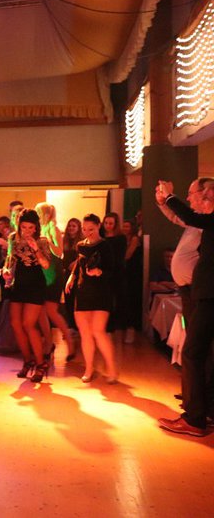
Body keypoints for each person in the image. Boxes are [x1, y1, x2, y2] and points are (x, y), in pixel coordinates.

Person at [156, 179, 214, 436]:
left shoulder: (207, 220)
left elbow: (188, 216)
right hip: (204, 295)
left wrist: (170, 197)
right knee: (200, 352)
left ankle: (195, 419)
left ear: (207, 194)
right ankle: (204, 411)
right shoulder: (205, 221)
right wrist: (165, 201)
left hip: (208, 296)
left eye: (192, 194)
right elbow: (185, 217)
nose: (189, 199)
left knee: (193, 352)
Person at [65, 214, 118, 384]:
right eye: (85, 229)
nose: (87, 232)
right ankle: (89, 368)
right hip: (83, 292)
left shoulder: (105, 245)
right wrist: (71, 277)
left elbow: (113, 270)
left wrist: (99, 272)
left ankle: (111, 369)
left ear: (98, 226)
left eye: (91, 229)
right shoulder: (80, 245)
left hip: (101, 292)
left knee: (98, 331)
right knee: (85, 333)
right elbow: (79, 264)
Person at [2, 209, 51, 383]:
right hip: (19, 283)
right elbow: (10, 259)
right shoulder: (13, 238)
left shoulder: (42, 241)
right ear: (19, 225)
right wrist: (6, 270)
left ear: (36, 227)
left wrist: (36, 248)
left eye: (31, 227)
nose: (27, 231)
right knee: (16, 324)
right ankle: (27, 360)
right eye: (24, 227)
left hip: (35, 283)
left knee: (28, 324)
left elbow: (46, 265)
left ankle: (41, 363)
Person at [35, 202, 72, 358]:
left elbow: (59, 252)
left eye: (38, 213)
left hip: (54, 272)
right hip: (42, 273)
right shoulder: (39, 230)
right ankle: (49, 343)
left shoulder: (54, 230)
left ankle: (70, 343)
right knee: (40, 311)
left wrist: (47, 241)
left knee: (51, 310)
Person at [102, 212, 127, 338]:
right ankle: (107, 326)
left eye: (111, 223)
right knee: (106, 299)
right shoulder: (101, 236)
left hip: (117, 271)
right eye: (106, 223)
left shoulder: (121, 238)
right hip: (104, 272)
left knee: (117, 299)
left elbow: (120, 256)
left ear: (116, 224)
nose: (108, 226)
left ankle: (119, 326)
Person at [122, 218, 143, 343]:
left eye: (127, 226)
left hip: (133, 272)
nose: (125, 229)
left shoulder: (134, 239)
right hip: (125, 272)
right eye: (123, 226)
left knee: (131, 299)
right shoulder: (123, 239)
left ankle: (132, 328)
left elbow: (127, 255)